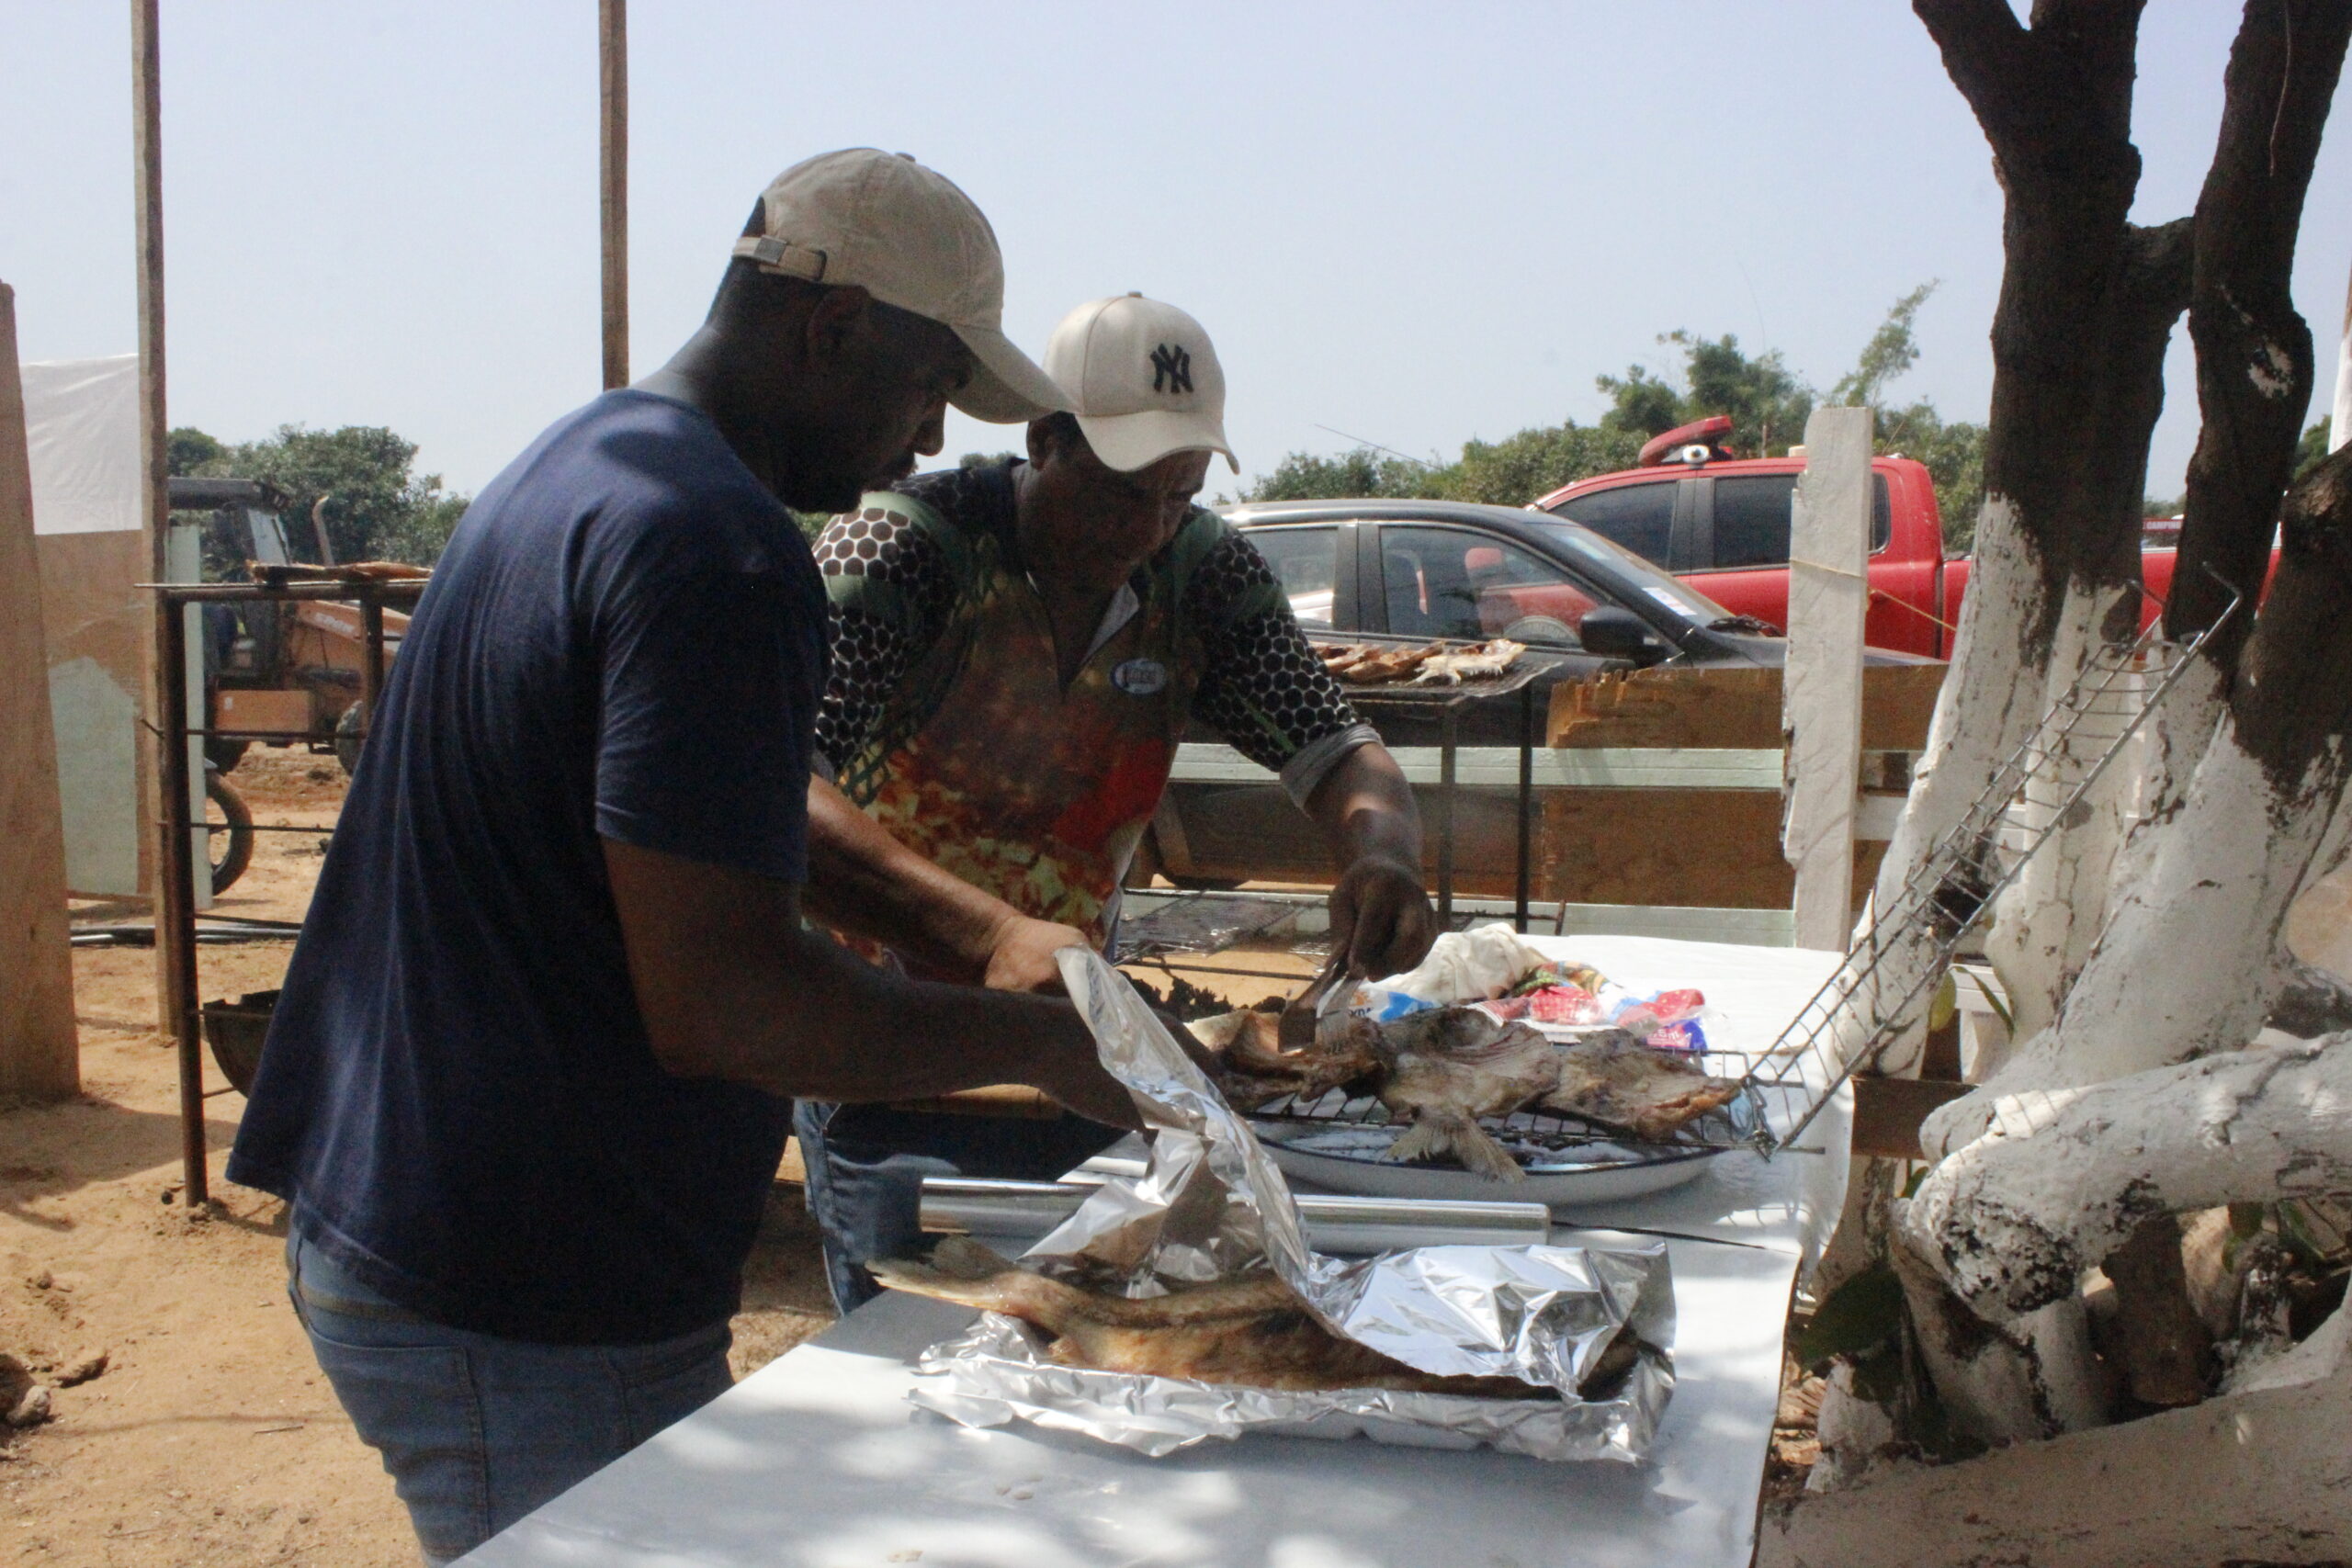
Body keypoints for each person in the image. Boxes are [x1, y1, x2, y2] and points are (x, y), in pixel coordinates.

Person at [225, 150, 1126, 1566]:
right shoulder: (719, 549)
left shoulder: (592, 461)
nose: (931, 433)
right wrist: (1044, 1046)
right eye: (931, 381)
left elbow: (713, 804)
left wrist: (985, 932)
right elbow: (729, 1002)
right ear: (832, 328)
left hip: (420, 1221)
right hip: (528, 1295)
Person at [795, 293, 1437, 1309]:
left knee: (1087, 1329)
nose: (1147, 527)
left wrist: (1382, 852)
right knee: (907, 1344)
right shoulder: (898, 552)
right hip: (885, 1052)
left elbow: (1335, 746)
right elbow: (777, 792)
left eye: (1179, 493)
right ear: (1045, 440)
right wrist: (993, 937)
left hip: (1080, 1058)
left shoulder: (1202, 574)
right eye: (1122, 491)